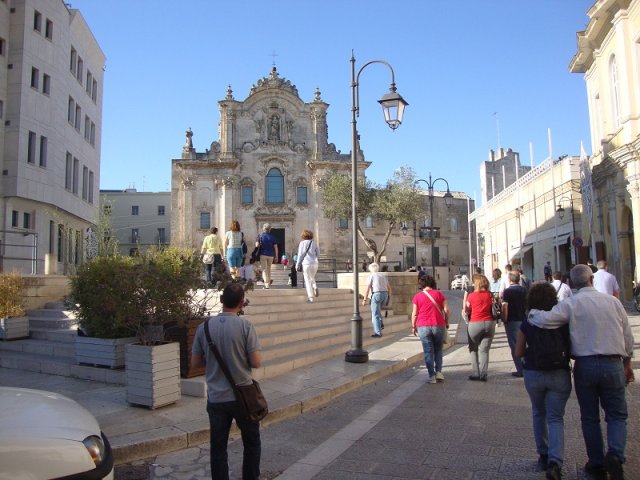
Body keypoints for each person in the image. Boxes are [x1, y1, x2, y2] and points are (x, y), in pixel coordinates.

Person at [528, 264, 635, 480]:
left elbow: (546, 320)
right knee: (617, 414)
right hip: (612, 362)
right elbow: (627, 337)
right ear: (591, 279)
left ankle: (596, 464)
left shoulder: (571, 303)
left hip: (584, 365)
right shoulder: (613, 302)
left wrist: (532, 312)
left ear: (572, 283)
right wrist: (627, 362)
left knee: (589, 417)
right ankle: (615, 454)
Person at [190, 283, 263, 480]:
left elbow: (195, 363)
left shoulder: (203, 328)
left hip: (216, 398)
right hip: (243, 396)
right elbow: (256, 362)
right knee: (251, 442)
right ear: (242, 303)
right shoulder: (245, 326)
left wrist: (214, 358)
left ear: (221, 301)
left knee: (218, 449)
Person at [515, 281, 572, 480]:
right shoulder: (562, 321)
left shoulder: (528, 321)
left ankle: (543, 455)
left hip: (533, 372)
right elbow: (571, 348)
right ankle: (556, 462)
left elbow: (519, 351)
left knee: (538, 413)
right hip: (559, 372)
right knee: (556, 418)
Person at [411, 275, 450, 384]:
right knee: (438, 349)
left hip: (423, 325)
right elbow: (446, 310)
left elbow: (414, 314)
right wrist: (446, 322)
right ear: (433, 283)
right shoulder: (439, 294)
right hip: (438, 324)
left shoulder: (417, 296)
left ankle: (431, 376)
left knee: (428, 351)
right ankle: (439, 372)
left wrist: (413, 326)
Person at [463, 274, 496, 381]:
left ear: (476, 284)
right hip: (489, 323)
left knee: (473, 349)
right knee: (485, 350)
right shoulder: (490, 295)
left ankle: (476, 373)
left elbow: (467, 310)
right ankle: (484, 374)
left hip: (475, 323)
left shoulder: (471, 296)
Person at [501, 270, 526, 377]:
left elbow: (505, 306)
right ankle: (527, 367)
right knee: (524, 344)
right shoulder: (524, 290)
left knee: (515, 345)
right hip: (524, 319)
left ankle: (520, 370)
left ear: (509, 280)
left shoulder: (507, 291)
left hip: (512, 320)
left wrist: (504, 319)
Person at [362, 263, 392, 338]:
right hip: (385, 295)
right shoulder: (383, 276)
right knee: (378, 311)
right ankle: (380, 322)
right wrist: (389, 298)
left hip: (377, 294)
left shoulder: (371, 276)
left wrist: (364, 299)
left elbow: (367, 288)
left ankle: (378, 332)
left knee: (374, 314)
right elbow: (389, 288)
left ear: (370, 269)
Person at [295, 229, 320, 303]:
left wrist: (297, 264)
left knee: (307, 280)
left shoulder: (302, 243)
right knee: (312, 277)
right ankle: (315, 286)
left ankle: (310, 297)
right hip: (315, 263)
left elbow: (300, 255)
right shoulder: (314, 243)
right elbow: (318, 254)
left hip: (306, 263)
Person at [255, 223, 278, 289]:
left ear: (263, 229)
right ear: (270, 229)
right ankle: (268, 282)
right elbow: (276, 247)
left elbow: (257, 245)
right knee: (269, 269)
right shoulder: (272, 237)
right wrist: (276, 256)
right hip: (271, 255)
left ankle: (266, 283)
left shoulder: (260, 236)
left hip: (263, 254)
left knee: (264, 269)